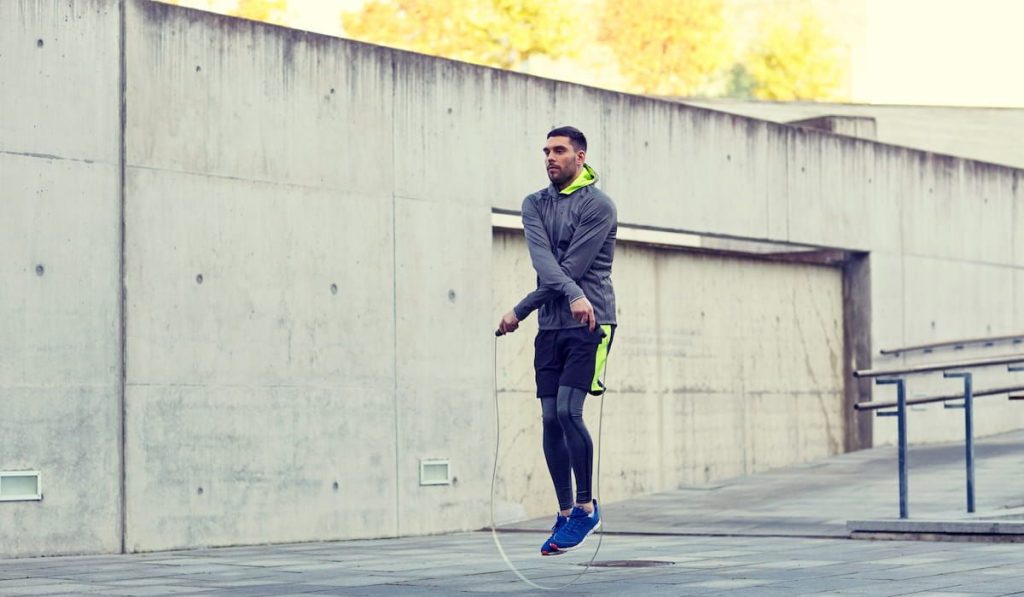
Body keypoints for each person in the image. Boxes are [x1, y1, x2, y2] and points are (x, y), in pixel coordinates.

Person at [497, 126, 617, 556]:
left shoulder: (598, 206)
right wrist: (544, 304)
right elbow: (547, 265)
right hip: (551, 326)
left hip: (591, 322)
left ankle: (587, 507)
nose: (550, 157)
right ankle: (565, 512)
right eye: (546, 150)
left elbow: (574, 265)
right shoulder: (534, 204)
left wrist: (519, 309)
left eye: (560, 150)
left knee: (569, 409)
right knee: (549, 417)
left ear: (580, 157)